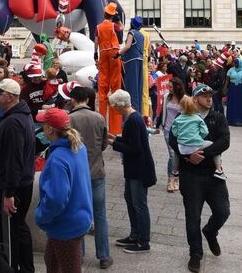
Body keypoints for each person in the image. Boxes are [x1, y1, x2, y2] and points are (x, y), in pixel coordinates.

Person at [169, 84, 230, 273]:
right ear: (195, 99)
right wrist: (188, 156)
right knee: (192, 217)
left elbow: (224, 141)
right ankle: (195, 253)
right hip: (190, 175)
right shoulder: (183, 116)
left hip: (213, 174)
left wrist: (201, 153)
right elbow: (173, 140)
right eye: (205, 96)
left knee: (223, 211)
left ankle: (210, 231)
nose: (209, 98)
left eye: (211, 95)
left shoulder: (217, 117)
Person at [0, 78, 35, 273]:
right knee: (19, 228)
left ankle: (9, 268)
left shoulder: (13, 122)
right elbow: (14, 148)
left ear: (9, 97)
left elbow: (14, 159)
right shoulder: (20, 115)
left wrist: (9, 193)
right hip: (19, 183)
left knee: (7, 234)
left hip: (10, 187)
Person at [35, 107, 93, 273]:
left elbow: (56, 199)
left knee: (68, 268)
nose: (41, 128)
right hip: (78, 218)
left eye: (43, 125)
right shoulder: (78, 146)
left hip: (66, 225)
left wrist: (40, 216)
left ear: (50, 129)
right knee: (51, 261)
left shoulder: (57, 159)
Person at [67, 85, 112, 268]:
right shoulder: (99, 117)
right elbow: (104, 144)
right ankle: (104, 255)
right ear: (87, 99)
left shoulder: (69, 119)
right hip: (96, 171)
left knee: (78, 212)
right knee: (100, 214)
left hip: (77, 173)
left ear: (73, 100)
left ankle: (79, 254)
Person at [107, 89, 156, 255]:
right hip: (134, 169)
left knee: (139, 204)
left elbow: (134, 148)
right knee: (130, 200)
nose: (113, 108)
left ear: (121, 105)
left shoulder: (133, 120)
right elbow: (132, 141)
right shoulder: (133, 118)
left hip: (139, 169)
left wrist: (112, 143)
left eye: (114, 105)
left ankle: (143, 241)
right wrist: (116, 138)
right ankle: (135, 235)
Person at [171, 96, 225, 180]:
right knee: (211, 144)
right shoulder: (197, 118)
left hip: (182, 148)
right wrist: (198, 137)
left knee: (176, 152)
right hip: (196, 145)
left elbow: (174, 132)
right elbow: (205, 131)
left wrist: (181, 136)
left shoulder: (178, 118)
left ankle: (175, 171)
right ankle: (218, 169)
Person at [95, 2, 123, 135]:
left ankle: (101, 125)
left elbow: (96, 41)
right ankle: (115, 128)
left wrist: (95, 54)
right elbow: (121, 37)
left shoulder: (98, 27)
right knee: (115, 87)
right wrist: (119, 21)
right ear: (113, 15)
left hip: (103, 53)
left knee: (102, 86)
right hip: (114, 53)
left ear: (104, 14)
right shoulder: (115, 26)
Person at [161, 77, 186, 192]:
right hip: (167, 129)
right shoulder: (166, 97)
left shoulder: (184, 99)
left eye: (171, 87)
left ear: (177, 87)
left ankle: (177, 178)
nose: (169, 89)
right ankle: (171, 179)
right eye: (168, 87)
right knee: (172, 154)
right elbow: (162, 111)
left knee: (178, 155)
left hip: (180, 131)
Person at [119, 16, 147, 111]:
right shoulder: (142, 35)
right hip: (140, 60)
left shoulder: (131, 33)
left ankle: (132, 110)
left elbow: (127, 46)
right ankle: (138, 110)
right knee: (139, 87)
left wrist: (118, 53)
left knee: (131, 86)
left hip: (131, 61)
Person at [223, 58, 242, 127]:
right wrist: (225, 88)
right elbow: (227, 80)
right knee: (232, 104)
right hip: (232, 88)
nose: (234, 64)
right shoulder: (231, 70)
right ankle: (231, 120)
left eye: (236, 63)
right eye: (234, 63)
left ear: (240, 63)